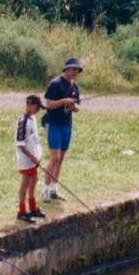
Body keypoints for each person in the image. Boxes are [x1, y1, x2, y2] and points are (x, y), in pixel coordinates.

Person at [41, 57, 84, 201]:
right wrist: (64, 101)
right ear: (67, 69)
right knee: (55, 157)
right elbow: (48, 104)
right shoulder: (55, 84)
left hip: (67, 125)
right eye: (74, 70)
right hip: (54, 124)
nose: (75, 73)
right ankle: (45, 190)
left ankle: (54, 189)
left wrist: (73, 106)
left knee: (61, 159)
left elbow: (77, 108)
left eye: (77, 70)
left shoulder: (75, 86)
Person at [15, 94, 46, 223]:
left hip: (34, 158)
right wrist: (32, 157)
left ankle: (33, 207)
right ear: (30, 105)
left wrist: (37, 155)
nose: (38, 111)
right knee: (26, 182)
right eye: (37, 108)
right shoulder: (23, 121)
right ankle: (22, 210)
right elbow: (20, 144)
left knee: (34, 180)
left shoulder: (32, 118)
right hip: (26, 159)